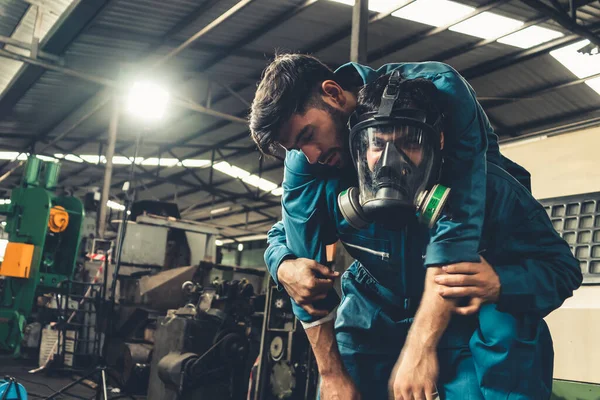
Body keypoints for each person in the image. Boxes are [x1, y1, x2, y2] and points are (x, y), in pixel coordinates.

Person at [249, 54, 582, 398]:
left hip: (459, 300)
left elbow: (469, 226)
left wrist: (500, 284)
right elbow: (293, 241)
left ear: (439, 140)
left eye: (408, 142)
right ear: (361, 146)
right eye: (377, 144)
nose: (312, 155)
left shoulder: (488, 180)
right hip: (378, 300)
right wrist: (283, 264)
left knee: (506, 329)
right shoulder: (320, 170)